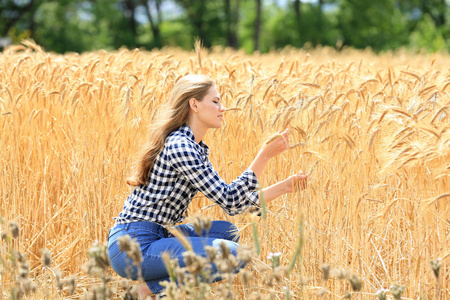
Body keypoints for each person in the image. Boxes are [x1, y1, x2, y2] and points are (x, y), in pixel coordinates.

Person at [107, 74, 308, 299]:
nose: (223, 108)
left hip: (158, 236)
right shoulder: (181, 147)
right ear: (194, 104)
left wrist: (286, 187)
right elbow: (230, 201)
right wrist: (264, 156)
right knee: (232, 255)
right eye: (215, 101)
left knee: (227, 232)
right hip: (132, 246)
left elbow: (235, 202)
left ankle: (152, 290)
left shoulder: (195, 147)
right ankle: (147, 291)